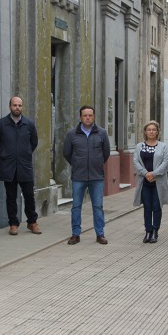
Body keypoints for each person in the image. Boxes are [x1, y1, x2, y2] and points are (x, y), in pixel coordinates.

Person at [0, 96, 41, 236]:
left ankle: (32, 222)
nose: (17, 108)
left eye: (19, 105)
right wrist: (5, 154)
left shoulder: (29, 124)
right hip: (8, 166)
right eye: (15, 105)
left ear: (22, 107)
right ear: (10, 107)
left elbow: (34, 142)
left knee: (29, 195)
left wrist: (24, 153)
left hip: (24, 166)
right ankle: (13, 224)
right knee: (11, 197)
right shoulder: (1, 124)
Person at [63, 105, 111, 245]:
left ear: (94, 116)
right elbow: (67, 153)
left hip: (96, 177)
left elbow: (106, 152)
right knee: (76, 206)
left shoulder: (101, 133)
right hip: (79, 176)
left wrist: (97, 163)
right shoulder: (72, 134)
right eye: (85, 115)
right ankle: (75, 234)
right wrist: (77, 163)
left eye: (90, 115)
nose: (88, 118)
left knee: (98, 206)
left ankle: (100, 234)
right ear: (80, 117)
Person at [132, 121, 168, 243]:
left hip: (158, 182)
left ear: (157, 132)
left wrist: (153, 173)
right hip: (144, 182)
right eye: (149, 129)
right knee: (147, 207)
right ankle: (148, 231)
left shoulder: (163, 146)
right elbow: (135, 161)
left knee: (156, 206)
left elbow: (166, 162)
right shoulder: (139, 146)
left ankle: (155, 231)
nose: (151, 131)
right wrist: (145, 173)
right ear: (145, 132)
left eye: (154, 129)